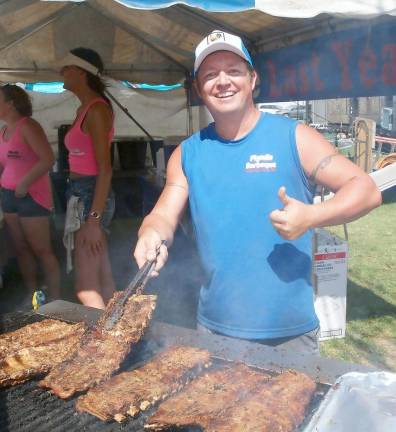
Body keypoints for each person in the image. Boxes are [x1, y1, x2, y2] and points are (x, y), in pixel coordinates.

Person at [133, 30, 382, 355]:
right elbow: (163, 214)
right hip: (214, 330)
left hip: (289, 334)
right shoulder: (187, 153)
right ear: (198, 88)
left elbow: (365, 189)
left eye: (233, 71)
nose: (222, 81)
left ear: (252, 79)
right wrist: (150, 234)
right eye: (210, 74)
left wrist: (311, 216)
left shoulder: (295, 137)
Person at [58, 48, 115, 309]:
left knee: (86, 287)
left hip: (90, 196)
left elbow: (105, 169)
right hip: (84, 193)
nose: (61, 72)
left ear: (81, 71)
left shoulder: (96, 110)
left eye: (65, 67)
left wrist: (93, 219)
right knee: (102, 278)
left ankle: (103, 346)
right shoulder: (85, 108)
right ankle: (118, 337)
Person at [0, 84, 60, 303]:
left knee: (42, 249)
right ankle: (33, 296)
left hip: (32, 196)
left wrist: (24, 183)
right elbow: (4, 164)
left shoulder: (28, 126)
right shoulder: (3, 130)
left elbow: (48, 159)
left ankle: (56, 300)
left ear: (10, 103)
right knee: (21, 248)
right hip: (9, 196)